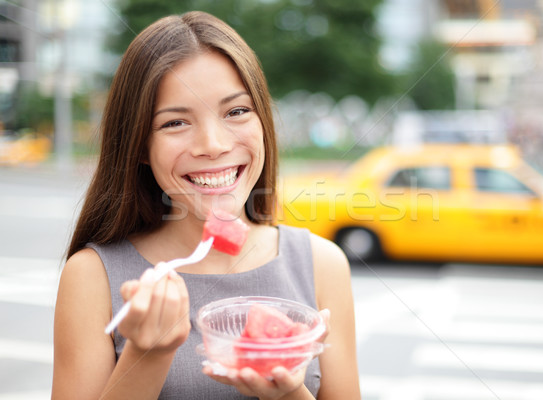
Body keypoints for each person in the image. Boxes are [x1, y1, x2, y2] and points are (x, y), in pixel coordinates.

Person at [52, 11, 360, 400]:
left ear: (263, 121)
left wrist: (287, 394)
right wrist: (149, 352)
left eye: (236, 111)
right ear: (140, 147)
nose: (213, 144)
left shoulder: (322, 265)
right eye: (175, 123)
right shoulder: (93, 276)